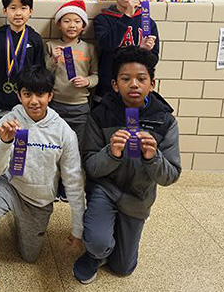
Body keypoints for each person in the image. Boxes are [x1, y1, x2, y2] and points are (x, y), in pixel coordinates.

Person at [0, 66, 85, 292]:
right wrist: (4, 142)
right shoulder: (8, 121)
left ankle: (21, 222)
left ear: (50, 96)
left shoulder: (63, 132)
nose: (34, 101)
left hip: (38, 199)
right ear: (19, 95)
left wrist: (77, 227)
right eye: (27, 94)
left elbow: (73, 180)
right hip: (7, 185)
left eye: (40, 94)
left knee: (30, 256)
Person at [73, 46, 181, 284]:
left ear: (152, 83)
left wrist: (154, 157)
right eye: (126, 79)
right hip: (105, 189)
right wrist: (111, 153)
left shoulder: (165, 121)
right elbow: (90, 166)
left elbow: (171, 175)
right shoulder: (100, 116)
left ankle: (116, 241)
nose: (134, 84)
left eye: (141, 79)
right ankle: (95, 253)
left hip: (138, 196)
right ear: (114, 85)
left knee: (123, 268)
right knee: (99, 244)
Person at [93, 0, 159, 102]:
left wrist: (144, 52)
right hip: (108, 90)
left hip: (136, 92)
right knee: (107, 122)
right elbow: (107, 45)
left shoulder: (147, 22)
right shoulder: (103, 19)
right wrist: (127, 15)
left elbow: (154, 59)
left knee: (132, 122)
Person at [0, 0, 45, 129]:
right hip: (0, 100)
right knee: (0, 139)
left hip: (27, 103)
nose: (18, 13)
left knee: (23, 142)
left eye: (23, 8)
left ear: (31, 11)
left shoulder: (34, 38)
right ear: (5, 11)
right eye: (13, 8)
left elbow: (39, 71)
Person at [45, 0, 98, 145]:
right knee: (55, 142)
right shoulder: (51, 46)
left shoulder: (89, 48)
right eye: (67, 21)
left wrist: (87, 81)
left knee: (77, 143)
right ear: (59, 25)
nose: (72, 25)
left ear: (83, 26)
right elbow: (44, 75)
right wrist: (53, 60)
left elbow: (96, 75)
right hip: (55, 103)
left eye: (77, 21)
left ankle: (75, 168)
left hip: (80, 106)